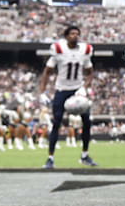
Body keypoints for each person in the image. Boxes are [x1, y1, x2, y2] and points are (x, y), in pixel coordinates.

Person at [38, 25, 97, 169]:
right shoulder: (58, 49)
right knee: (56, 122)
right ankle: (50, 158)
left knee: (87, 122)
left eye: (77, 33)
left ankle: (84, 155)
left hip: (77, 90)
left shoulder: (85, 50)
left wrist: (84, 87)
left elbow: (90, 72)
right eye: (72, 34)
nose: (75, 36)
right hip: (62, 90)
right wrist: (42, 92)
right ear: (66, 36)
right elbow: (47, 71)